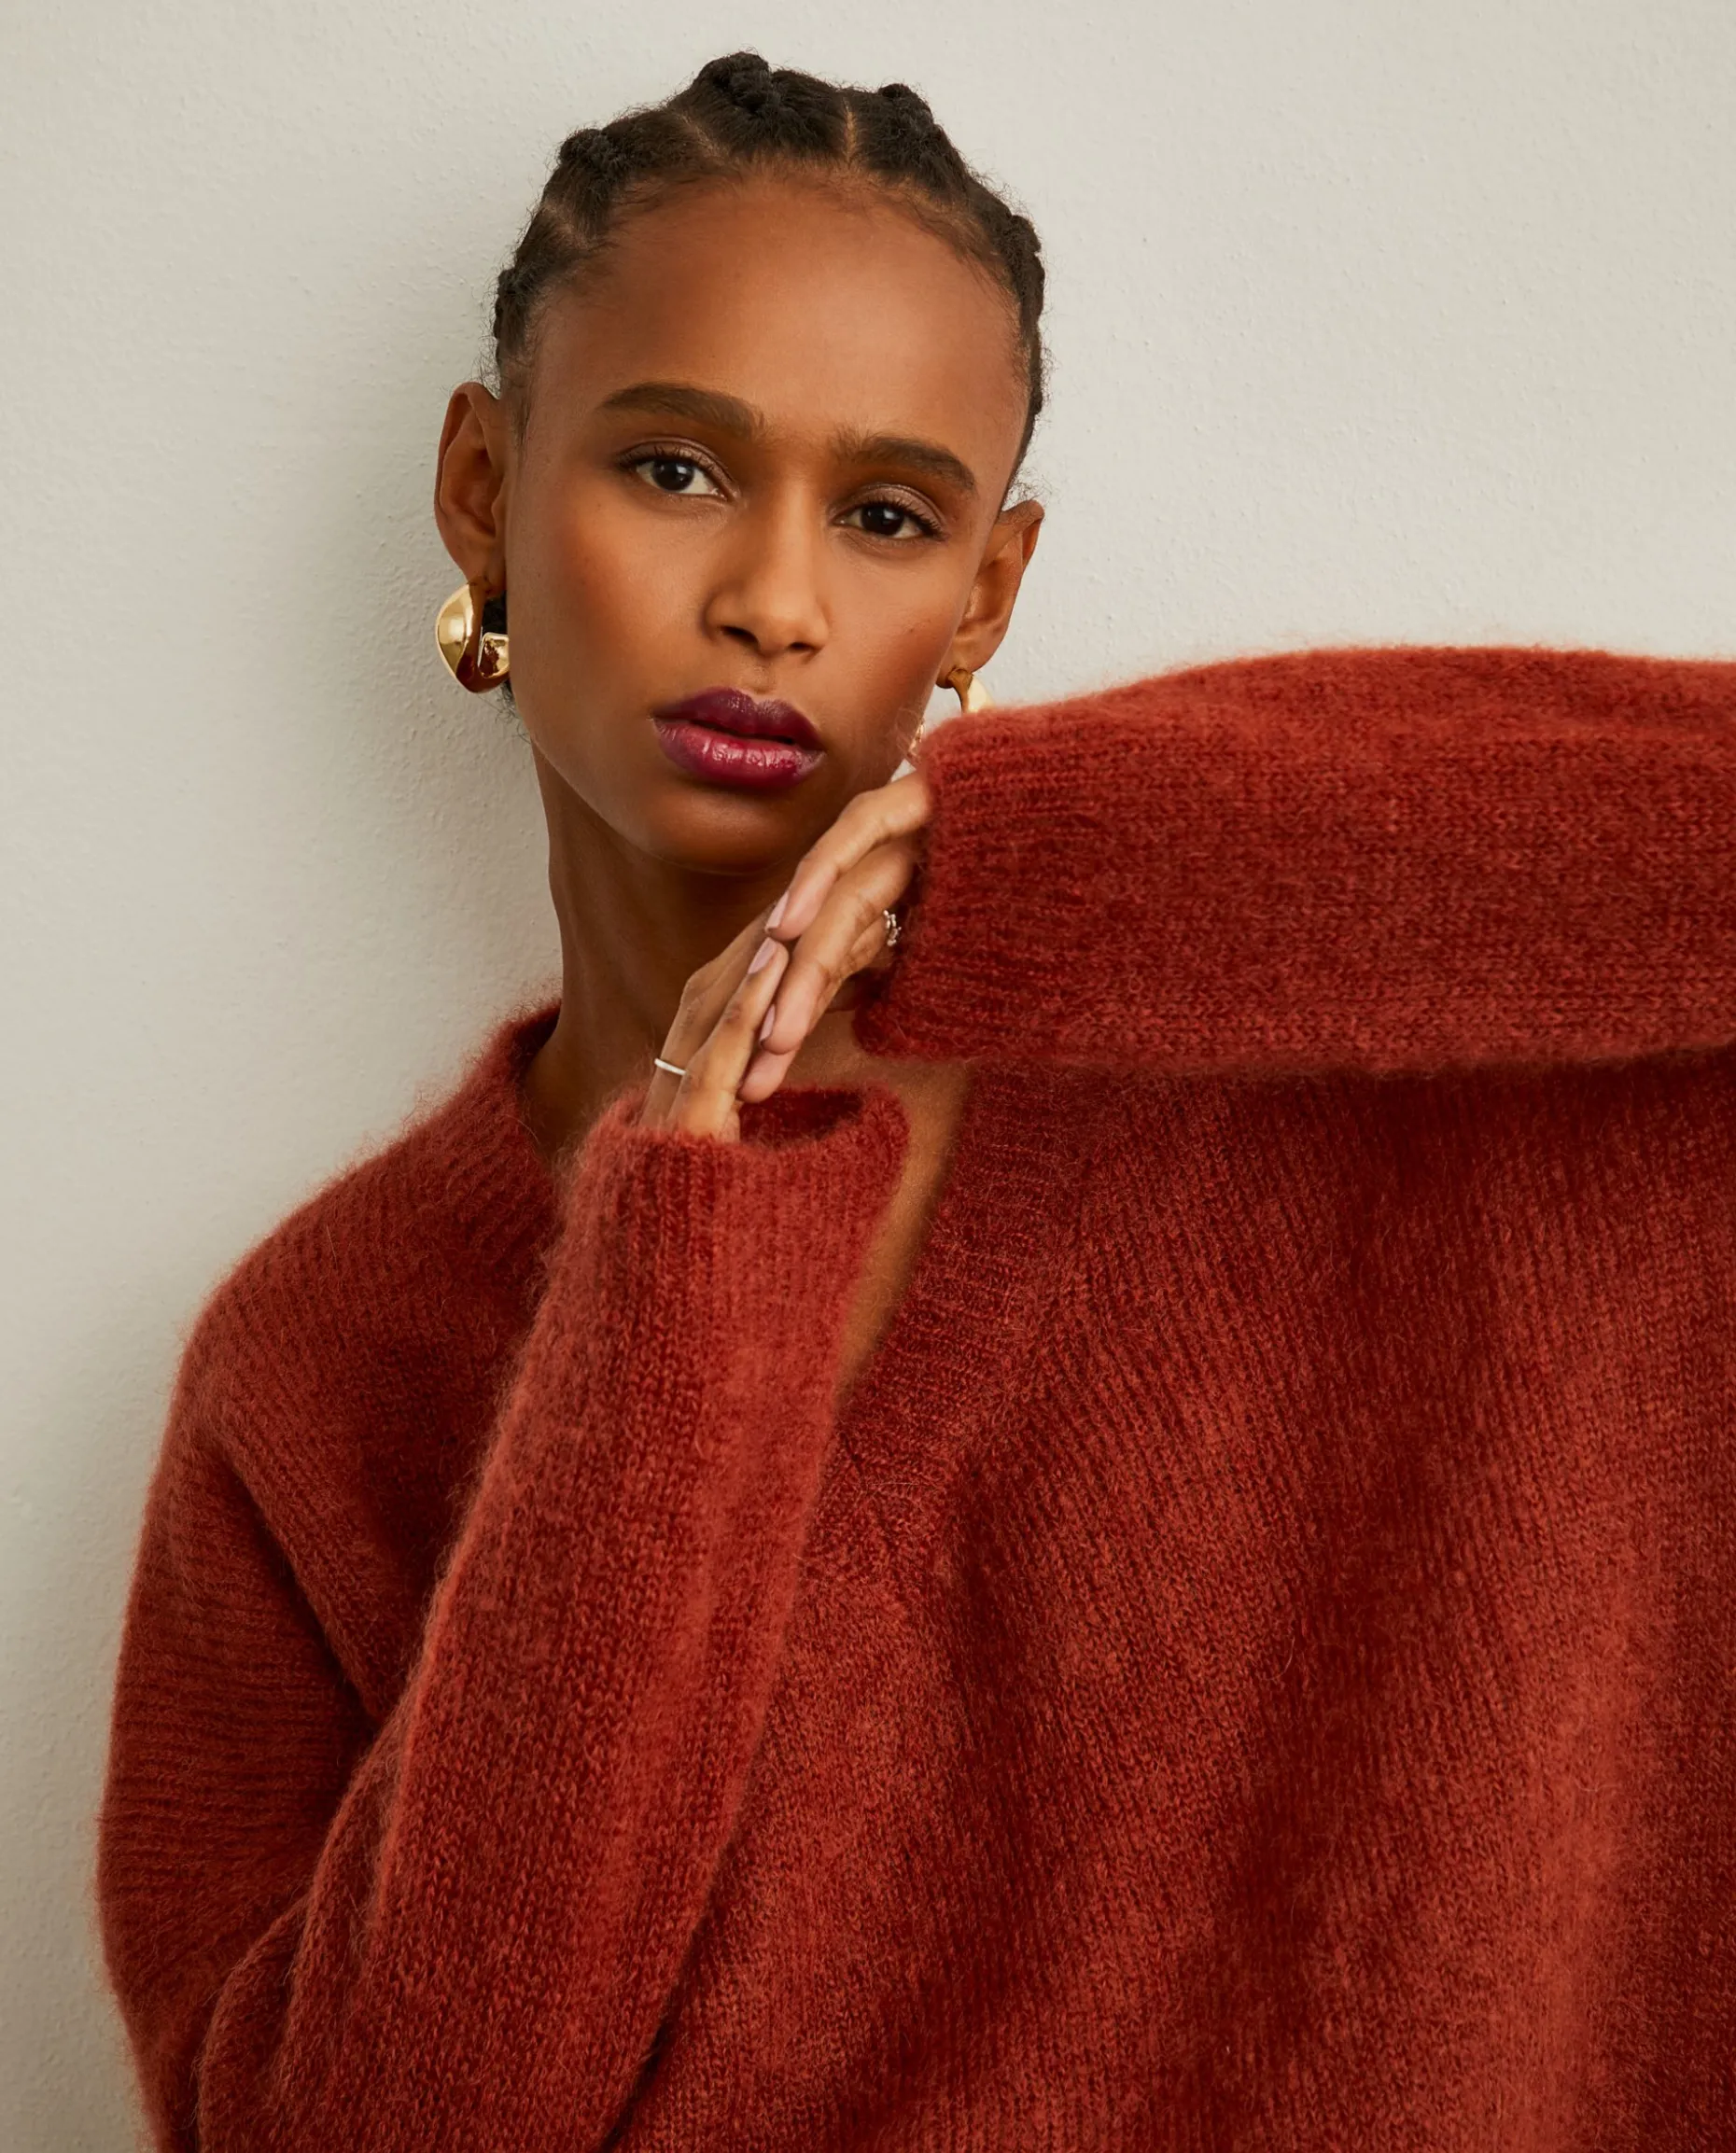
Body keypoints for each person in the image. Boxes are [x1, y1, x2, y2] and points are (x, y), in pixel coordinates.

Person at [95, 50, 1736, 2151]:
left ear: (987, 591)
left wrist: (1063, 848)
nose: (775, 600)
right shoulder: (319, 1369)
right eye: (676, 468)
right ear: (484, 491)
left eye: (887, 515)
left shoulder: (1258, 1080)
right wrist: (674, 1266)